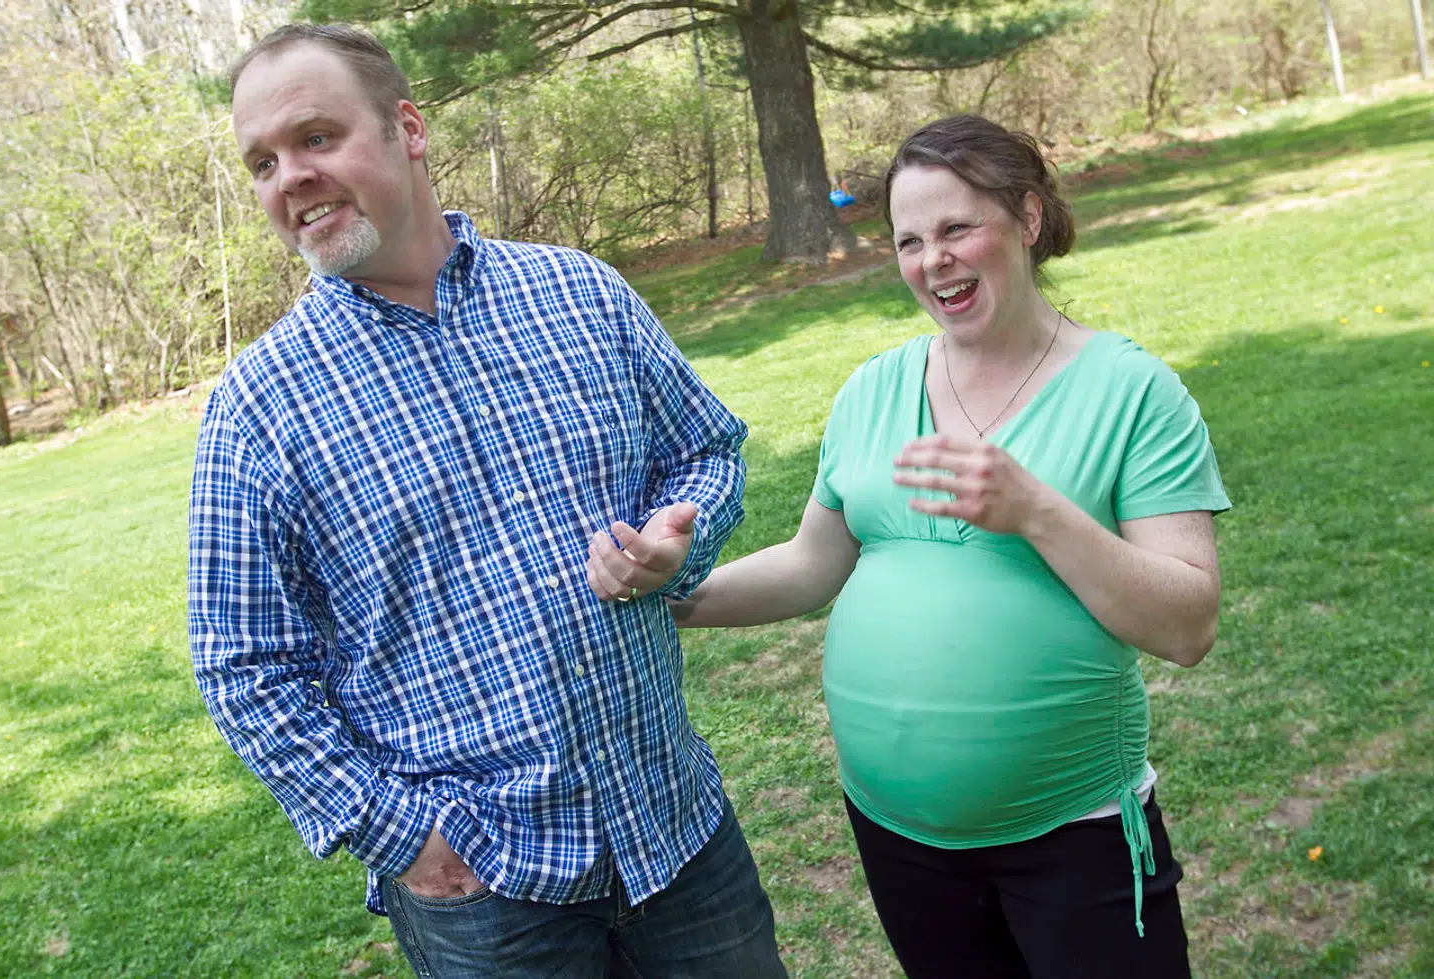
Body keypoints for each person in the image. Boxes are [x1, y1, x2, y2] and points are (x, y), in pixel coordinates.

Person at [188, 23, 787, 979]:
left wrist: (685, 537)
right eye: (261, 161)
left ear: (409, 128)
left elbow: (705, 451)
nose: (288, 177)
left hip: (680, 835)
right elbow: (246, 669)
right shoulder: (259, 409)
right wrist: (399, 832)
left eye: (315, 137)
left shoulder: (580, 293)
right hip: (488, 904)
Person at [671, 114, 1230, 978]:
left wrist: (1037, 510)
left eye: (957, 228)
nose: (933, 260)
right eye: (909, 240)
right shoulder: (873, 388)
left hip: (1073, 838)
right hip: (899, 839)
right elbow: (812, 562)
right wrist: (672, 599)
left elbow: (1188, 625)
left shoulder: (1132, 392)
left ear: (1029, 219)